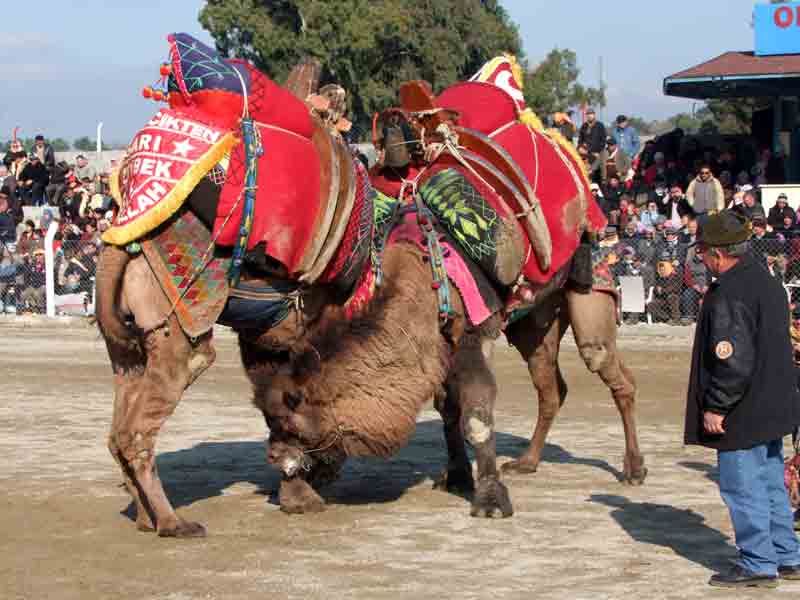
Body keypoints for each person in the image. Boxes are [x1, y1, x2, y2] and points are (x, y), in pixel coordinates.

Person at [685, 210, 800, 588]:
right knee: (770, 483)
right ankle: (787, 555)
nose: (700, 258)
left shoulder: (730, 292)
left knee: (741, 485)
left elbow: (731, 358)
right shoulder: (766, 282)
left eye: (702, 252)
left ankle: (758, 562)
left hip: (742, 409)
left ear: (717, 253)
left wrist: (717, 406)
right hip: (773, 402)